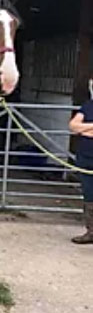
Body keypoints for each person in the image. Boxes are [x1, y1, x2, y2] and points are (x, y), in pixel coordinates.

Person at [69, 85, 93, 244]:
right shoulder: (88, 106)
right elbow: (73, 126)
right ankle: (91, 231)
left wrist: (84, 129)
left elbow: (79, 128)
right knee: (89, 194)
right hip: (86, 158)